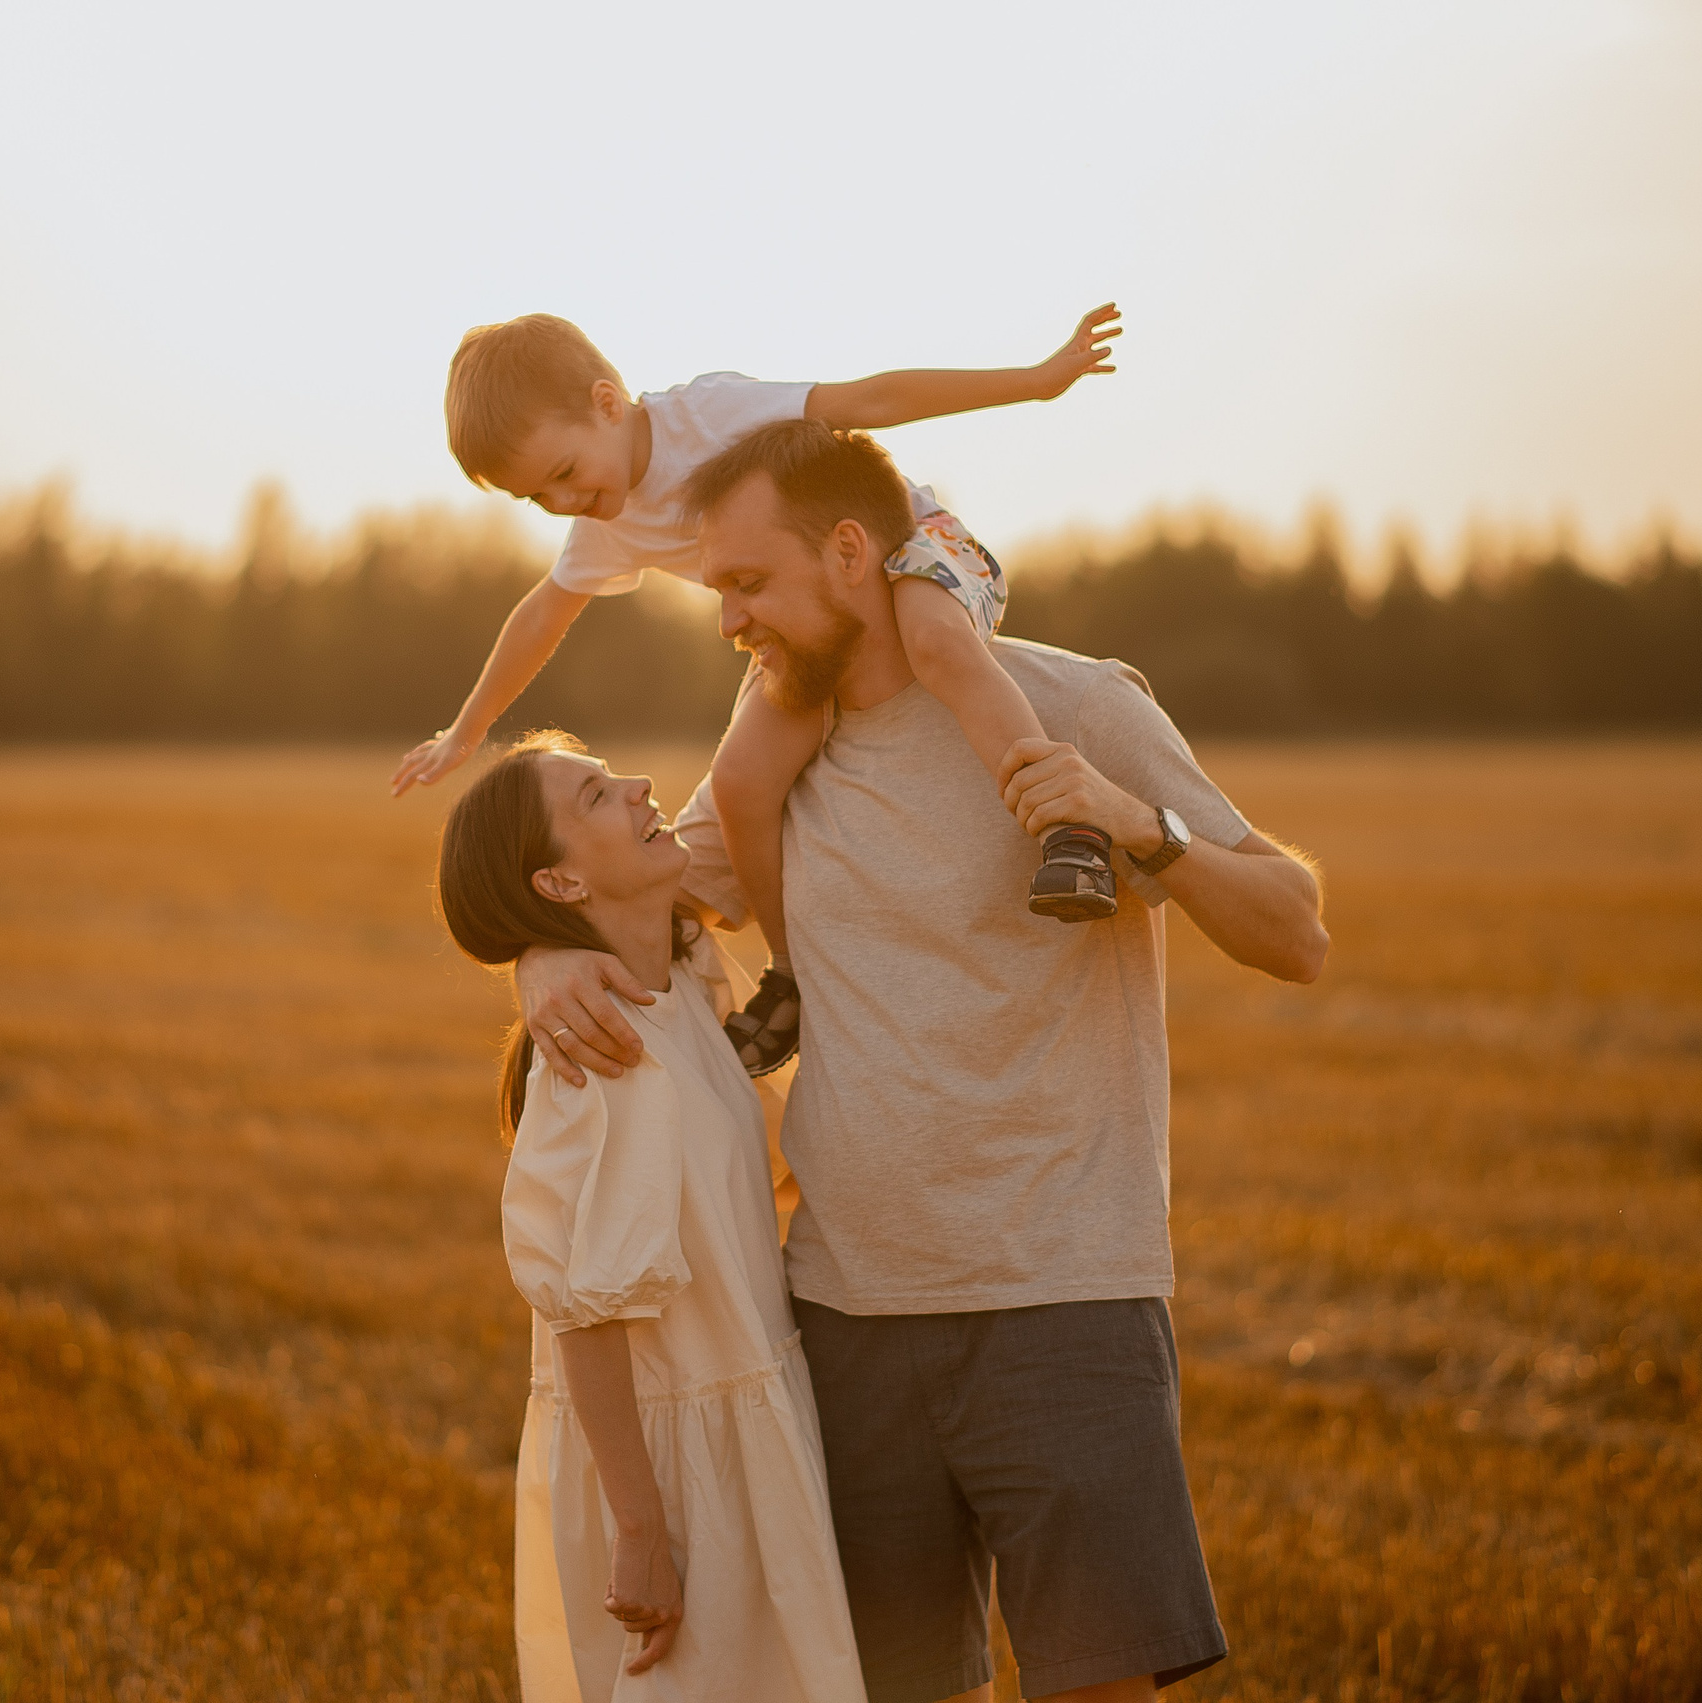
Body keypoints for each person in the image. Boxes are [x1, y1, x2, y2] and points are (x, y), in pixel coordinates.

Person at [516, 420, 1331, 1703]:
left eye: (750, 582)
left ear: (853, 552)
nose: (728, 619)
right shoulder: (777, 756)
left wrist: (1131, 823)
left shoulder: (1076, 704)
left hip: (1064, 1300)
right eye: (717, 587)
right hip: (845, 1325)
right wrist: (538, 959)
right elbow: (625, 892)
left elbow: (1297, 932)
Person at [394, 304, 1127, 1079]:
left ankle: (1069, 832)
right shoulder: (606, 526)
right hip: (807, 627)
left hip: (911, 543)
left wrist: (1036, 381)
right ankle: (789, 974)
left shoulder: (708, 414)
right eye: (539, 498)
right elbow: (542, 615)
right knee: (742, 778)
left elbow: (869, 399)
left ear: (607, 403)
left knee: (937, 643)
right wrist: (466, 729)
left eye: (565, 473)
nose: (565, 503)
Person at [435, 729, 866, 1703]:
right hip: (671, 1467)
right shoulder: (603, 1058)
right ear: (559, 882)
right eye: (595, 795)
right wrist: (640, 1529)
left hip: (748, 1416)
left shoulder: (685, 981)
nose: (637, 784)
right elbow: (587, 1314)